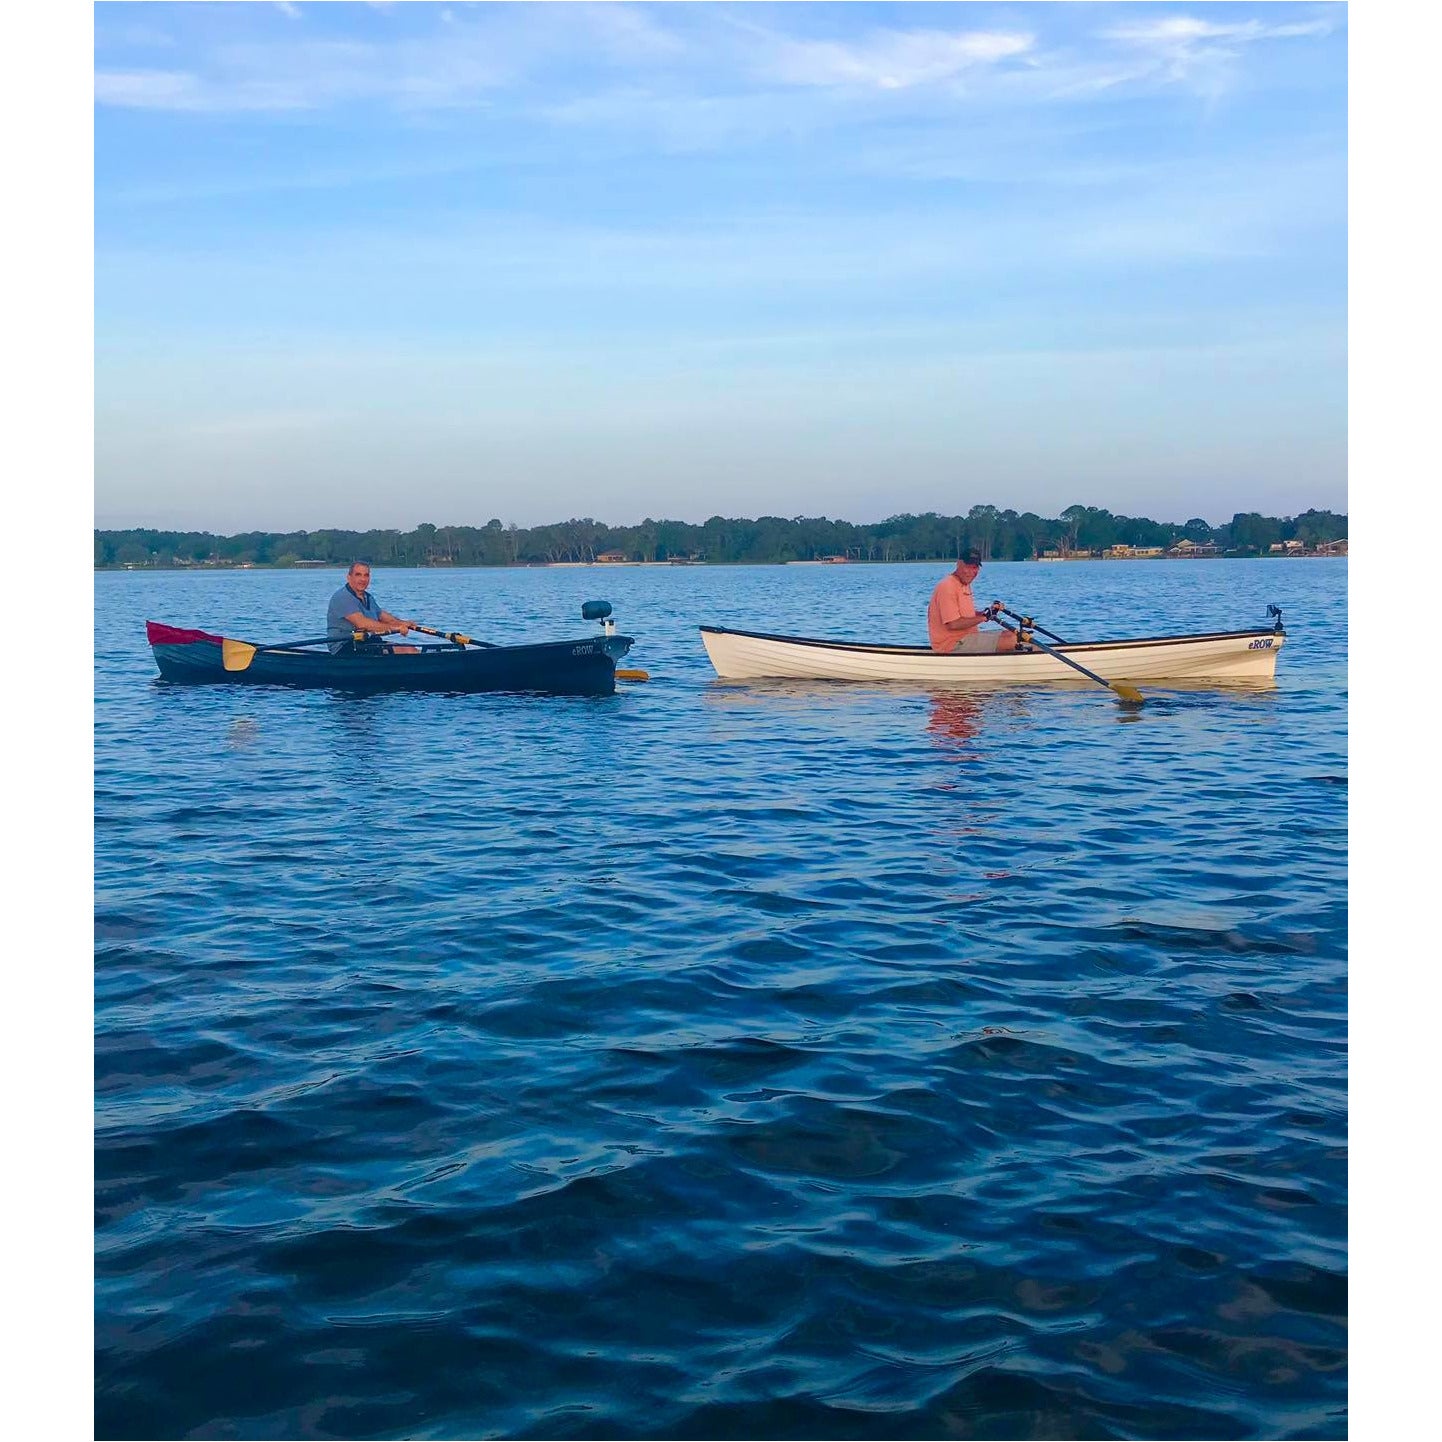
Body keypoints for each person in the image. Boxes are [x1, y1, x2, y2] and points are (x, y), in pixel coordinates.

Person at [927, 551, 1017, 654]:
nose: (971, 572)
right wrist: (984, 618)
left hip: (968, 638)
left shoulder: (964, 584)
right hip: (952, 645)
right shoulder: (948, 586)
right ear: (958, 564)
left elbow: (965, 616)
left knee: (1013, 634)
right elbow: (953, 624)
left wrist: (986, 612)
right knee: (1012, 641)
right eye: (968, 567)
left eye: (974, 568)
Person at [327, 562, 420, 654]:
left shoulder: (368, 597)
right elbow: (363, 624)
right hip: (346, 647)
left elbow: (384, 617)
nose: (363, 579)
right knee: (408, 651)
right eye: (358, 575)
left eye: (366, 575)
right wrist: (398, 627)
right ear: (349, 577)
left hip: (368, 642)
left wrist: (404, 623)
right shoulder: (343, 597)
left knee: (411, 649)